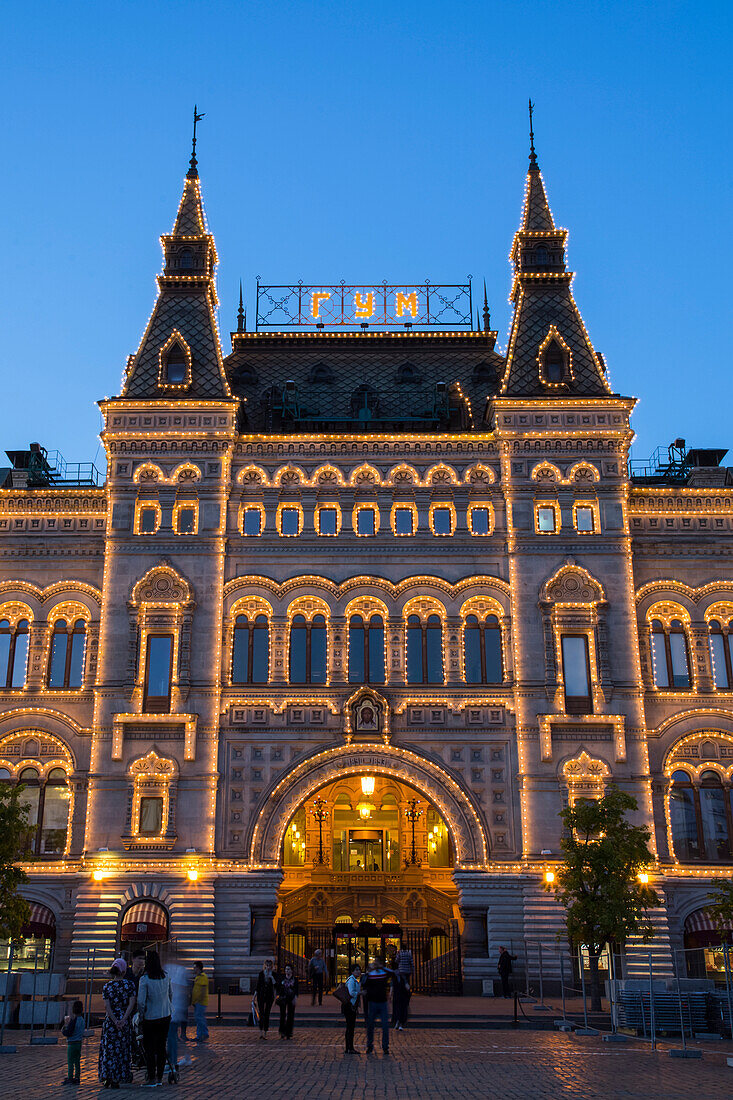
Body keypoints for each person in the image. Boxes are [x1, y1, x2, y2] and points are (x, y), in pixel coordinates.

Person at [137, 950, 172, 1087]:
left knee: (150, 1048)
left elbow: (141, 1001)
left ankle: (151, 1077)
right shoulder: (166, 977)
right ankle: (159, 1078)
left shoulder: (144, 979)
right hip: (165, 1015)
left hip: (150, 1017)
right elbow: (170, 995)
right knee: (161, 1046)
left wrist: (141, 1014)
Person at [98, 962, 136, 1088]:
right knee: (122, 1050)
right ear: (124, 971)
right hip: (124, 1022)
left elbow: (107, 1006)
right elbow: (132, 1004)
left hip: (110, 1023)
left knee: (109, 1050)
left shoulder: (107, 986)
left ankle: (107, 1076)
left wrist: (114, 1020)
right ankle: (118, 1077)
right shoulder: (129, 985)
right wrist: (123, 1019)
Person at [363, 958, 393, 1056]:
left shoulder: (383, 973)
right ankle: (370, 1045)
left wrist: (382, 968)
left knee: (385, 1026)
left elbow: (392, 973)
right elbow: (364, 982)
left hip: (382, 1002)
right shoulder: (370, 975)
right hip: (373, 1003)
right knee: (370, 1026)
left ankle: (385, 1046)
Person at [166, 963, 191, 1069]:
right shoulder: (171, 969)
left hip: (173, 1010)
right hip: (173, 1010)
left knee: (172, 1037)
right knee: (172, 1037)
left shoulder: (177, 970)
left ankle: (172, 1061)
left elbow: (182, 989)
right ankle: (173, 1059)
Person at [61, 999, 85, 1085]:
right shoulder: (82, 1020)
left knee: (70, 1061)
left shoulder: (73, 1020)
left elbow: (69, 1032)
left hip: (72, 1044)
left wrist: (64, 1028)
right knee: (77, 1061)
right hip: (79, 1043)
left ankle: (70, 1077)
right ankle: (77, 1077)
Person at [393, 940, 413, 1029]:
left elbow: (396, 961)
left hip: (401, 971)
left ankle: (398, 1022)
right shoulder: (409, 953)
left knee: (402, 982)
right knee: (406, 983)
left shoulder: (399, 953)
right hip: (407, 971)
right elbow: (411, 962)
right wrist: (413, 970)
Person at [342, 963, 362, 1054]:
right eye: (356, 970)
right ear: (352, 971)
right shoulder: (351, 980)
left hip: (351, 1006)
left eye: (359, 970)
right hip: (349, 1006)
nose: (359, 971)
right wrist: (360, 993)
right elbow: (351, 992)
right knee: (350, 1026)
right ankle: (349, 1047)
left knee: (350, 1027)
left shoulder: (354, 980)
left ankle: (349, 1047)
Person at [255, 958, 277, 1038]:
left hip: (269, 996)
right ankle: (261, 1031)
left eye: (270, 966)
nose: (268, 967)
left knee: (267, 1013)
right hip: (261, 995)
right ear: (265, 966)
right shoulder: (261, 974)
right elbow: (258, 986)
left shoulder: (273, 974)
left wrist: (271, 978)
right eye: (267, 966)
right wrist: (254, 997)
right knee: (261, 1013)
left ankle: (265, 1032)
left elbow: (276, 985)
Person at [276, 963, 298, 1039]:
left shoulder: (294, 979)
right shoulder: (282, 978)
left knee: (290, 1015)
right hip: (283, 998)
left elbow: (296, 990)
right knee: (282, 1015)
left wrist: (295, 997)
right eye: (286, 969)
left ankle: (289, 1032)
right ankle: (282, 1031)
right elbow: (278, 988)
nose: (287, 971)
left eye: (288, 969)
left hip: (291, 998)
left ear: (291, 970)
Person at [191, 961, 209, 1042]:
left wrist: (198, 1001)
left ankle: (204, 1033)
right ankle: (199, 1036)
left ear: (198, 967)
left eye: (194, 967)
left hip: (200, 1002)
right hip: (197, 1002)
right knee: (198, 1019)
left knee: (199, 1018)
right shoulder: (198, 977)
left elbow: (202, 990)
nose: (193, 969)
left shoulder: (203, 977)